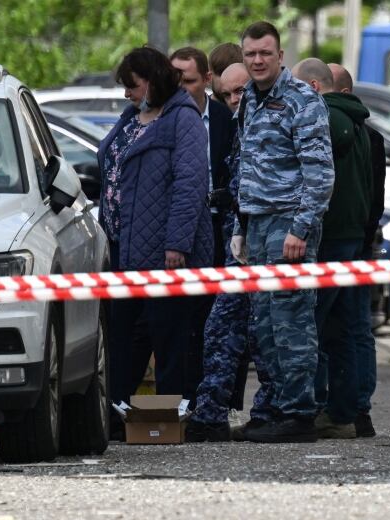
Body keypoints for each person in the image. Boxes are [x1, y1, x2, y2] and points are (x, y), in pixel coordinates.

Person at [232, 21, 335, 443]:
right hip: (257, 223)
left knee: (291, 319)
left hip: (290, 224)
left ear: (279, 57)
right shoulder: (249, 102)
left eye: (265, 54)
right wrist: (240, 227)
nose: (257, 61)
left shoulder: (301, 101)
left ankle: (298, 413)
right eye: (250, 54)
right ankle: (275, 407)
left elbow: (320, 173)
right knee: (264, 323)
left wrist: (300, 228)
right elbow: (246, 165)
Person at [98, 46, 212, 425]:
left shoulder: (184, 119)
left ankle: (166, 415)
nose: (127, 93)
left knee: (168, 335)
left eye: (132, 85)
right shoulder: (131, 117)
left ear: (151, 80)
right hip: (123, 247)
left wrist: (177, 243)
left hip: (164, 252)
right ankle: (116, 412)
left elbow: (190, 184)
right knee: (122, 336)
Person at [185, 62, 274, 442]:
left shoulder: (268, 122)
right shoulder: (239, 125)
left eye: (241, 91)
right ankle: (210, 414)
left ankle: (270, 413)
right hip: (239, 248)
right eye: (227, 94)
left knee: (265, 335)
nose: (235, 99)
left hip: (269, 245)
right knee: (223, 331)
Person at [291, 58, 372, 440]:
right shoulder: (358, 123)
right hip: (352, 234)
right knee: (347, 327)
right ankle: (347, 411)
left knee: (316, 324)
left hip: (333, 235)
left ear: (314, 87)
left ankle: (320, 409)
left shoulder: (329, 118)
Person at [169, 47, 237, 405]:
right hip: (178, 233)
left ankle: (215, 402)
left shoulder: (226, 121)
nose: (181, 88)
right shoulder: (162, 120)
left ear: (207, 80)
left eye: (189, 81)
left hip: (219, 230)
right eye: (175, 80)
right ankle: (180, 399)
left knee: (218, 321)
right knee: (180, 321)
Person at [328, 62, 387, 438]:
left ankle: (345, 408)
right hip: (361, 241)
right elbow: (375, 199)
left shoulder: (339, 129)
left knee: (339, 325)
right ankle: (359, 408)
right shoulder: (372, 135)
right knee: (357, 325)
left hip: (341, 240)